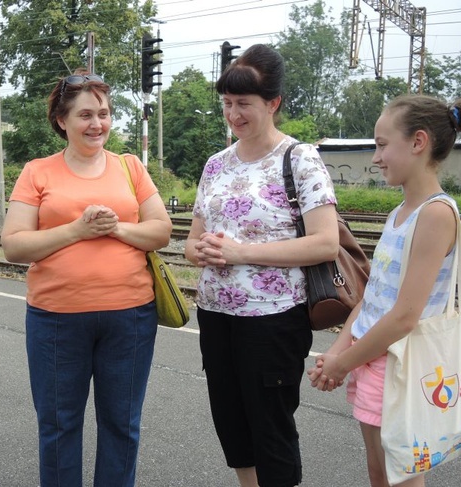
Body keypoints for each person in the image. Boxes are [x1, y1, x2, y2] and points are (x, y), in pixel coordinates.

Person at [1, 71, 172, 487]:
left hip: (130, 318)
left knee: (122, 425)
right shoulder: (37, 172)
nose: (97, 124)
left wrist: (114, 229)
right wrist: (78, 230)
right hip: (56, 319)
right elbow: (14, 245)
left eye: (104, 113)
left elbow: (161, 231)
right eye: (85, 115)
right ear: (61, 120)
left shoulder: (130, 167)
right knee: (58, 427)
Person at [184, 44, 340, 487]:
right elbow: (191, 242)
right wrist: (202, 251)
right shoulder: (215, 165)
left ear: (272, 104)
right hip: (216, 314)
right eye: (227, 104)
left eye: (243, 105)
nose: (233, 114)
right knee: (231, 422)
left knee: (271, 426)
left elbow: (325, 243)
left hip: (272, 320)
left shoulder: (299, 158)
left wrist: (240, 252)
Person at [307, 94, 461, 487]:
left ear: (418, 142)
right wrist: (338, 351)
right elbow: (372, 297)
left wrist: (343, 363)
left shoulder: (435, 214)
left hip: (399, 365)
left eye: (383, 144)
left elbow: (404, 316)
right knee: (379, 472)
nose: (375, 157)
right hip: (372, 358)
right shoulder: (400, 213)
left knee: (399, 478)